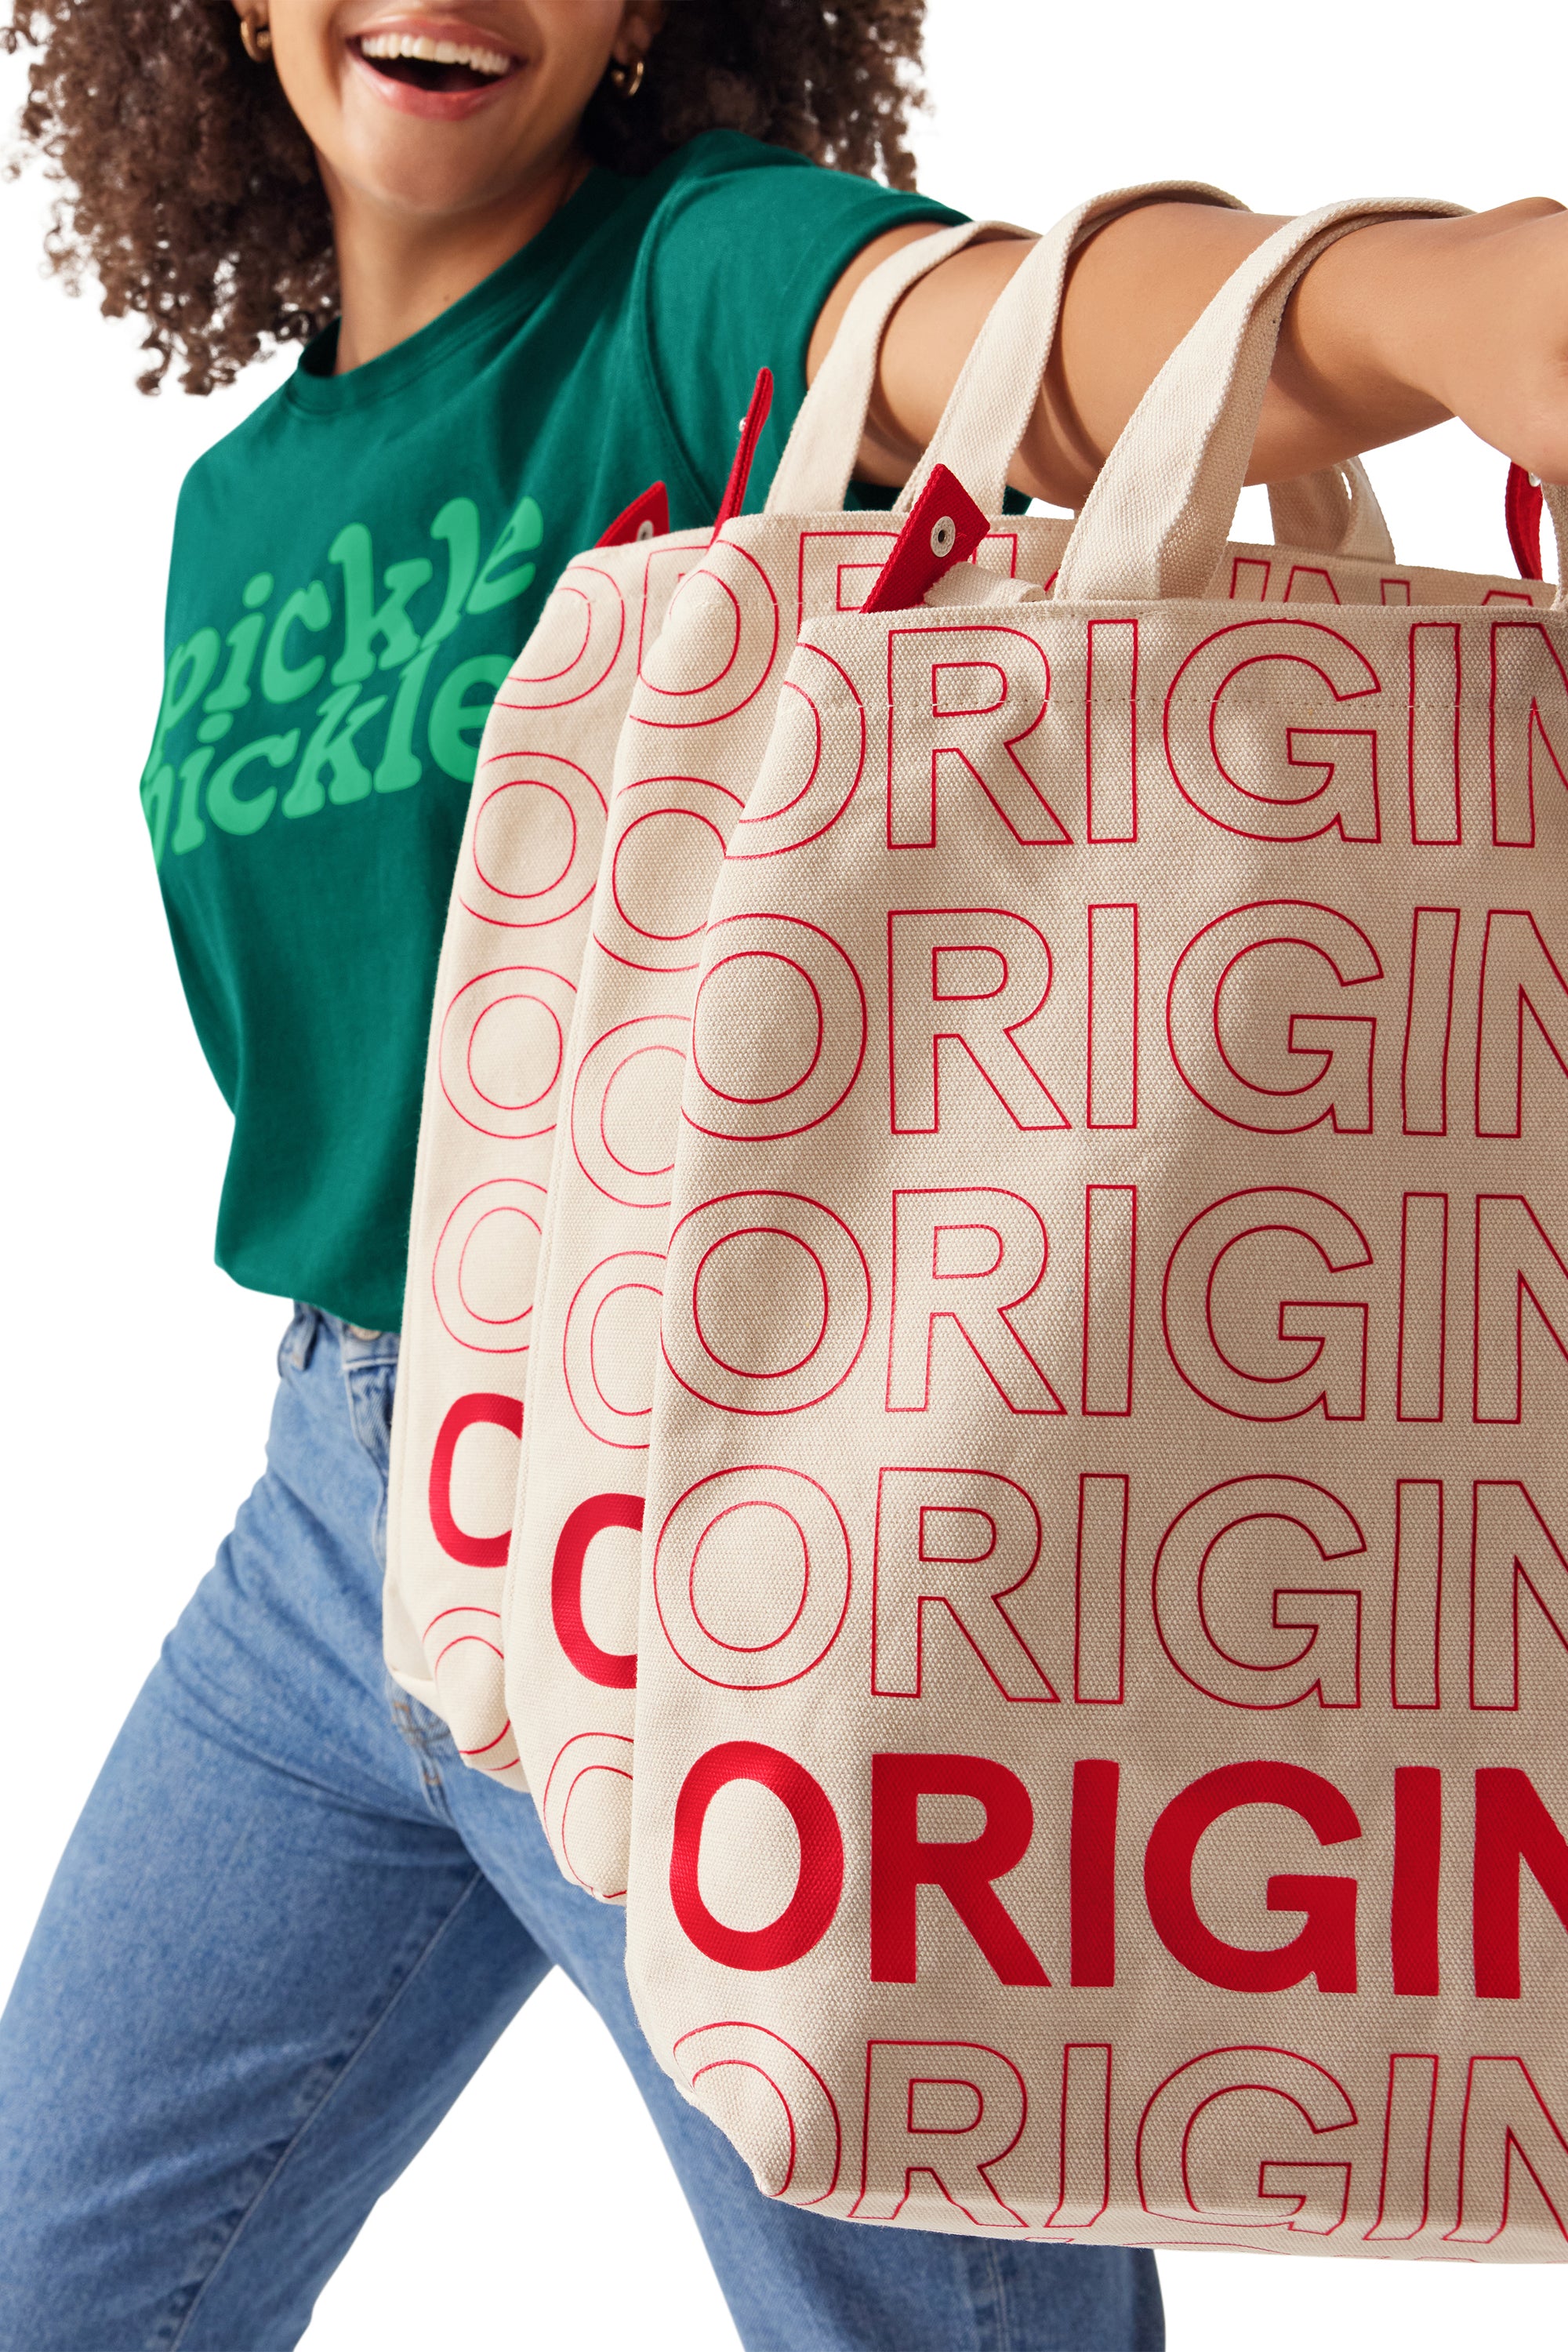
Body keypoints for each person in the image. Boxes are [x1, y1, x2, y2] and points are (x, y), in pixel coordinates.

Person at [2, 2, 1566, 2343]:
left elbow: (1029, 350)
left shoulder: (699, 283)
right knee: (61, 2272)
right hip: (335, 1517)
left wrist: (1439, 302)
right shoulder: (240, 504)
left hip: (729, 1507)